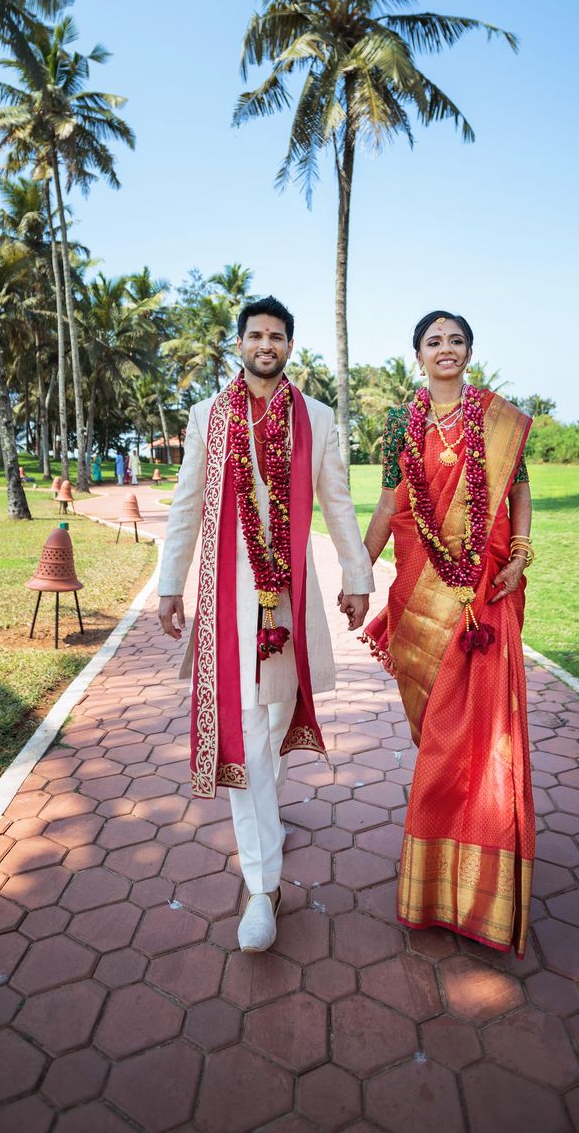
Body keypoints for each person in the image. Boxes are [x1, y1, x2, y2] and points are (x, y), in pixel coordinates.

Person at [158, 296, 373, 953]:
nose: (265, 344)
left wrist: (358, 575)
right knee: (247, 744)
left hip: (291, 595)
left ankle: (267, 820)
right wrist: (170, 583)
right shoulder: (208, 417)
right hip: (228, 595)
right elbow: (186, 504)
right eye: (255, 334)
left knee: (277, 725)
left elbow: (338, 503)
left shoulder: (318, 418)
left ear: (289, 345)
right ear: (240, 343)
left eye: (276, 335)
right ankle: (263, 884)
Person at [359, 310, 536, 957]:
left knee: (486, 744)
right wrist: (358, 574)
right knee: (437, 733)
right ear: (418, 354)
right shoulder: (397, 425)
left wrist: (519, 556)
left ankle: (480, 891)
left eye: (456, 340)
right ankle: (436, 887)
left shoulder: (501, 421)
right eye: (434, 341)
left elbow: (517, 491)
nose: (446, 349)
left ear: (469, 351)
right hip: (421, 596)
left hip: (486, 598)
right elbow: (386, 506)